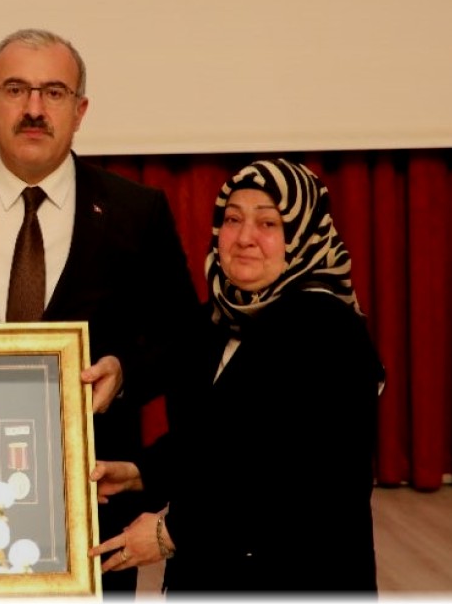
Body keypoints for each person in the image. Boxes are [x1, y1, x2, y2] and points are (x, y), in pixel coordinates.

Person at [0, 28, 204, 593]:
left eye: (53, 92)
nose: (33, 109)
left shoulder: (136, 211)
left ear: (80, 110)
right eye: (15, 90)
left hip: (89, 499)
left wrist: (124, 372)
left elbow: (182, 341)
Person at [89, 158, 383, 594]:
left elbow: (300, 479)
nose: (245, 238)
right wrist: (139, 472)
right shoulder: (215, 319)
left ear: (303, 237)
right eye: (232, 219)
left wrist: (172, 533)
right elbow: (209, 439)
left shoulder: (330, 332)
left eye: (268, 223)